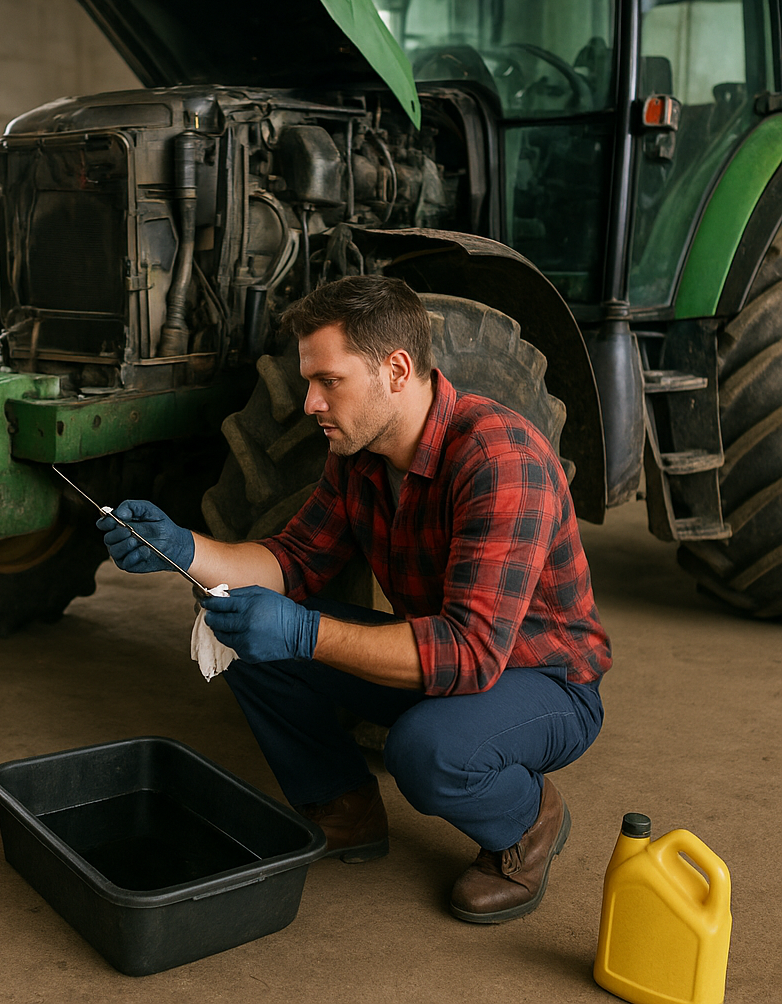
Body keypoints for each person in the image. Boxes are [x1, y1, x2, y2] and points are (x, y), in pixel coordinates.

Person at [97, 275, 611, 924]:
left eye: (329, 381)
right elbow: (292, 559)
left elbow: (472, 653)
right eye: (309, 381)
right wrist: (180, 547)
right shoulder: (358, 453)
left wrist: (304, 633)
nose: (312, 402)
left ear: (395, 370)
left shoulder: (499, 457)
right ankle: (344, 806)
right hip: (440, 657)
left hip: (543, 681)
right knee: (238, 627)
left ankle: (528, 821)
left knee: (426, 751)